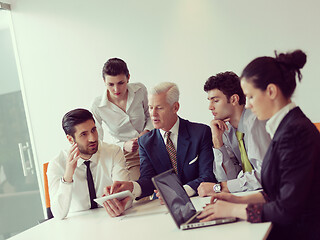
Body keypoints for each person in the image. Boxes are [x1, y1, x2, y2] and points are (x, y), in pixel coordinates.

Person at [197, 50, 320, 240]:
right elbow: (277, 192)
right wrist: (236, 199)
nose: (247, 105)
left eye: (251, 97)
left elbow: (286, 209)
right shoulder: (284, 128)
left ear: (271, 91)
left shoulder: (295, 132)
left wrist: (234, 209)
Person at [102, 82, 216, 217]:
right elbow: (148, 180)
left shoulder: (200, 133)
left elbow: (208, 176)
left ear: (175, 107)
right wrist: (131, 187)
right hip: (163, 210)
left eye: (159, 108)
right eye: (150, 108)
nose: (153, 114)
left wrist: (179, 192)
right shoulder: (145, 142)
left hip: (199, 204)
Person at [47, 109, 130, 219]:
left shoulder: (113, 152)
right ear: (70, 139)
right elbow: (58, 214)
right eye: (84, 134)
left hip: (112, 220)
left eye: (93, 130)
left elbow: (126, 195)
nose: (92, 138)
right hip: (77, 226)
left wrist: (122, 205)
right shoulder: (57, 164)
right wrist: (68, 176)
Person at [197, 72, 271, 195]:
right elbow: (227, 179)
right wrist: (217, 141)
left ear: (234, 99)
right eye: (209, 101)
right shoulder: (226, 130)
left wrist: (217, 188)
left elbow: (264, 177)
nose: (210, 107)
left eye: (215, 100)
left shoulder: (256, 122)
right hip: (252, 195)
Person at [91, 58, 153, 181]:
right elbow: (98, 142)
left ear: (128, 77)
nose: (116, 89)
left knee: (168, 186)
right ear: (104, 81)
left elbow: (150, 115)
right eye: (110, 84)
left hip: (152, 144)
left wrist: (146, 131)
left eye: (121, 83)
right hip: (127, 156)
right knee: (139, 194)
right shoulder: (97, 105)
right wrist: (123, 146)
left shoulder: (140, 90)